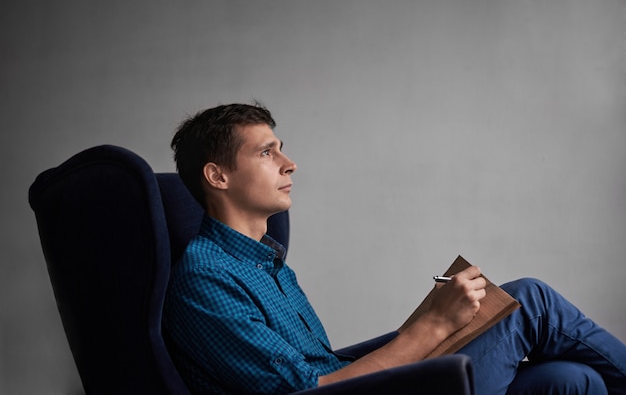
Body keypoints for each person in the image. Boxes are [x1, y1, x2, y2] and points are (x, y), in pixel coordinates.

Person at [163, 103, 626, 395]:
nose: (289, 163)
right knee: (532, 301)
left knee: (569, 379)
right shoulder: (205, 278)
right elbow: (307, 390)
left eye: (281, 149)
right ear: (217, 176)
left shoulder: (269, 263)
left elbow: (325, 364)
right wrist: (434, 325)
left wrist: (446, 330)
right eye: (267, 153)